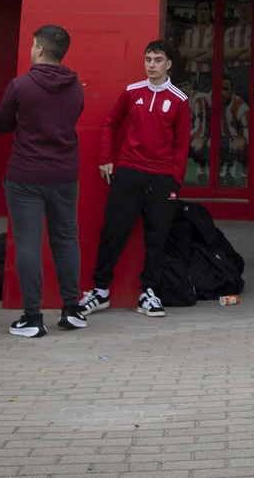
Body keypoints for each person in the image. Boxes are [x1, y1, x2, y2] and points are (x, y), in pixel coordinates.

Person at [78, 39, 192, 318]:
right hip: (129, 173)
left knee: (157, 237)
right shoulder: (131, 92)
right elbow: (110, 123)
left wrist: (174, 180)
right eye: (148, 60)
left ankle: (148, 293)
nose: (151, 65)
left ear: (169, 64)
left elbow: (182, 144)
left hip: (162, 179)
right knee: (112, 232)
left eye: (157, 60)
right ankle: (100, 291)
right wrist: (106, 157)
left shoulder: (180, 100)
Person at [0, 24, 87, 338]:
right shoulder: (77, 88)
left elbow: (3, 124)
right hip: (65, 174)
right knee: (65, 239)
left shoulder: (20, 86)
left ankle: (33, 317)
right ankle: (72, 309)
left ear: (38, 49)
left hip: (26, 176)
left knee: (29, 244)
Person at [218, 75, 249, 186]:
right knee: (212, 143)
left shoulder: (241, 107)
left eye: (226, 89)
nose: (222, 92)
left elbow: (248, 133)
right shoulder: (212, 101)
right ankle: (221, 176)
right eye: (219, 88)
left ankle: (244, 174)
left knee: (239, 145)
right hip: (223, 138)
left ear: (232, 90)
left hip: (237, 139)